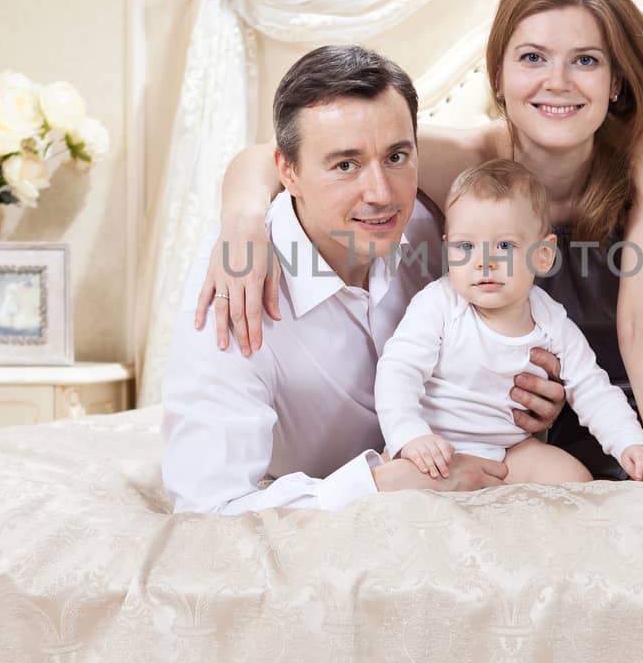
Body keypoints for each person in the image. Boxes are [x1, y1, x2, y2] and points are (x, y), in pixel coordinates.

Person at [201, 0, 643, 488]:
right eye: (533, 57)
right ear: (499, 75)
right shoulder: (464, 160)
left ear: (617, 79)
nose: (557, 82)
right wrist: (243, 220)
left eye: (585, 61)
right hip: (536, 397)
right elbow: (273, 155)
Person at [160, 43, 567, 514]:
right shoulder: (235, 284)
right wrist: (383, 484)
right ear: (287, 172)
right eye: (345, 165)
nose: (381, 194)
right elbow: (207, 506)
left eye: (397, 157)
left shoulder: (444, 230)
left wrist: (524, 400)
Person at [378, 158, 643, 485]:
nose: (484, 263)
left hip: (509, 450)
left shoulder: (550, 319)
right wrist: (409, 435)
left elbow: (593, 389)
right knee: (402, 488)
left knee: (575, 480)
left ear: (543, 256)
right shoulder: (439, 303)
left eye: (504, 245)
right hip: (436, 446)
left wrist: (630, 444)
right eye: (466, 246)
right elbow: (399, 370)